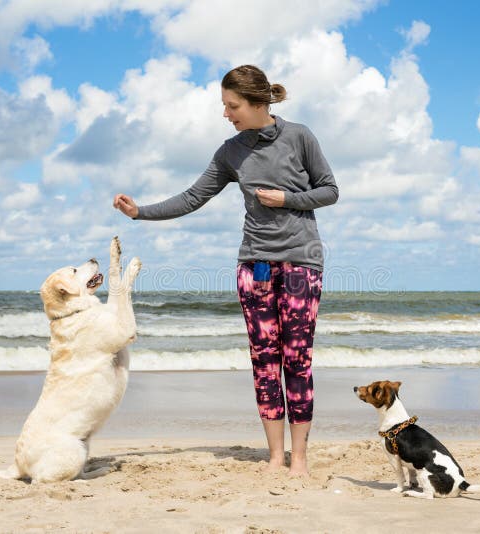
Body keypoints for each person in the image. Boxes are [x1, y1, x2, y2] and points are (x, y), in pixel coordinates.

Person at [113, 64, 338, 476]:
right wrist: (140, 212)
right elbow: (193, 196)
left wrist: (287, 199)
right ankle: (274, 457)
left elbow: (330, 189)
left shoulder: (300, 136)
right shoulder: (231, 151)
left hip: (302, 262)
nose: (226, 113)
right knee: (264, 360)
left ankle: (300, 458)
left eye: (231, 105)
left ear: (256, 103)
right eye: (225, 106)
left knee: (297, 360)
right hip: (254, 265)